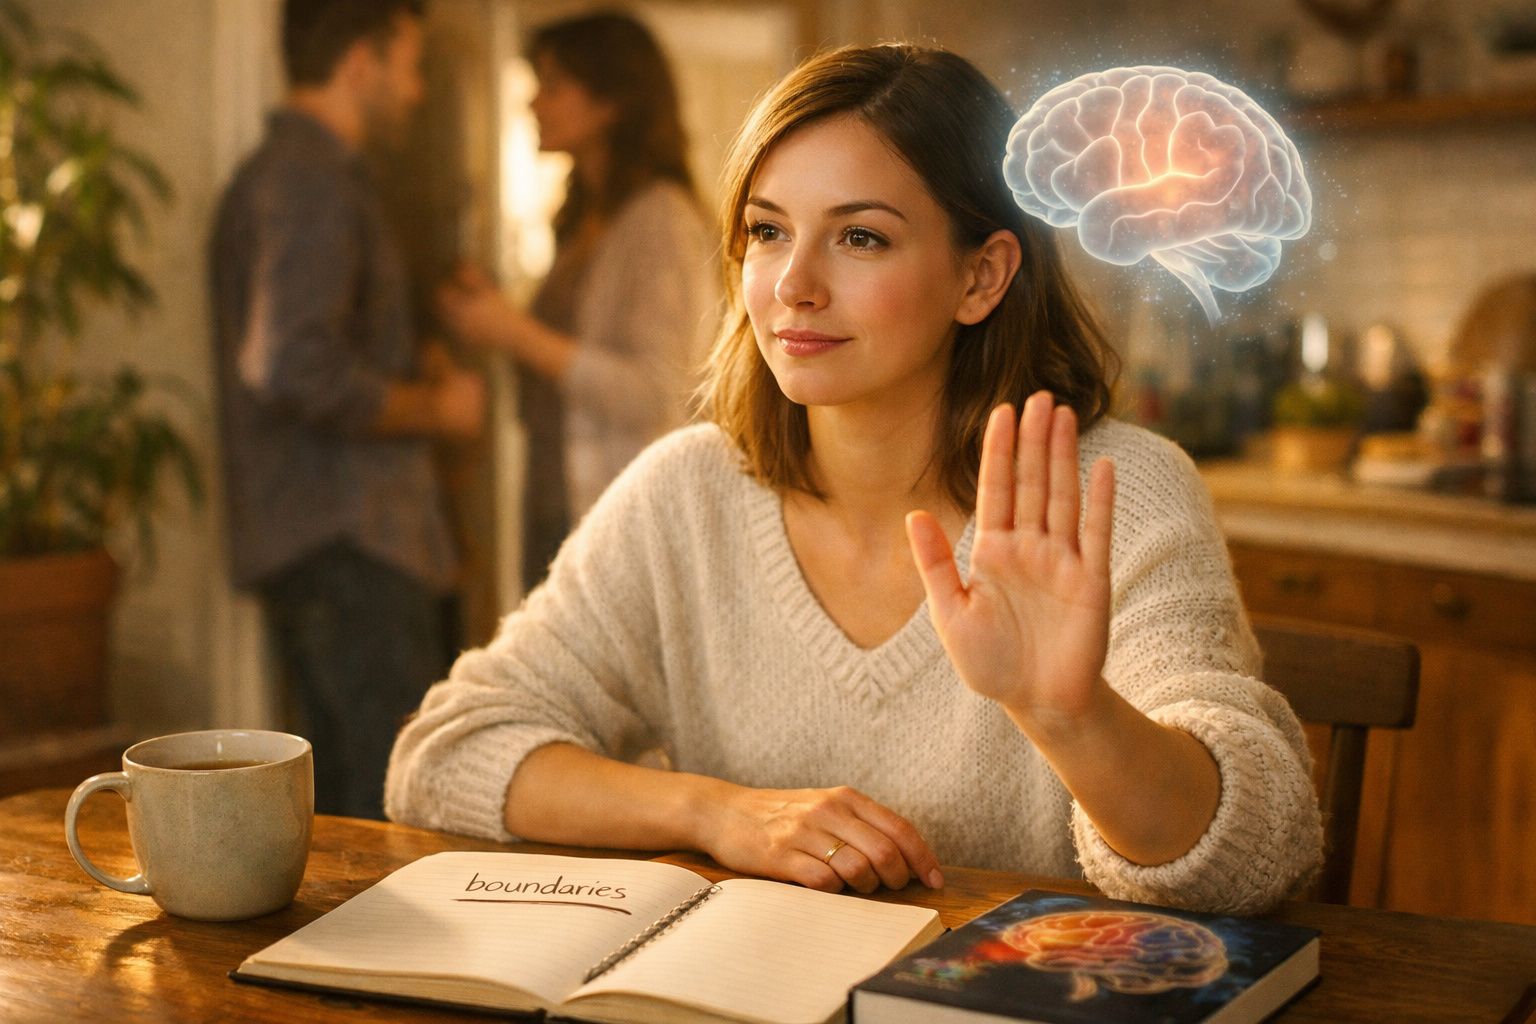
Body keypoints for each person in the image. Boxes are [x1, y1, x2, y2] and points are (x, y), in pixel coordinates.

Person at [387, 44, 1322, 914]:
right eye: (767, 231)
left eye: (860, 238)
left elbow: (1266, 850)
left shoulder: (1119, 492)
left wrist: (1070, 717)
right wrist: (717, 813)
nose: (793, 284)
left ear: (982, 277)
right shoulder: (688, 492)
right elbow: (446, 754)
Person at [211, 0, 486, 819]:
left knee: (357, 803)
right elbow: (294, 364)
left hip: (334, 541)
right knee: (387, 808)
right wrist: (438, 409)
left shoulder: (295, 175)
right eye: (408, 64)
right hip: (349, 541)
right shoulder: (310, 179)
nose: (416, 89)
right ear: (359, 61)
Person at [436, 11, 715, 589]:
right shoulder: (586, 222)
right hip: (558, 497)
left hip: (619, 512)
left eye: (553, 86)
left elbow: (655, 391)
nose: (534, 104)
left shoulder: (659, 220)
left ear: (611, 102)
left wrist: (514, 331)